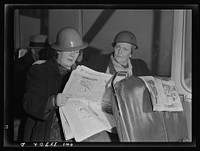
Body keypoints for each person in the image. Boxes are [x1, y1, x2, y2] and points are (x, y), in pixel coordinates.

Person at [22, 27, 88, 142]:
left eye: (76, 52)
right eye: (68, 51)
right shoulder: (40, 71)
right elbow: (29, 102)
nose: (73, 55)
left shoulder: (81, 73)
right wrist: (53, 101)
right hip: (50, 133)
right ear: (58, 50)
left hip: (77, 132)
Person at [84, 30, 151, 142]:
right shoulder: (96, 61)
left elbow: (148, 91)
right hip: (101, 115)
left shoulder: (140, 66)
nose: (119, 52)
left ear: (131, 53)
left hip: (130, 117)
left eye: (125, 49)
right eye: (117, 47)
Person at [14, 34, 50, 141]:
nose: (45, 54)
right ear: (33, 51)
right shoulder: (20, 67)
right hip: (20, 107)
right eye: (41, 51)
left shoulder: (41, 64)